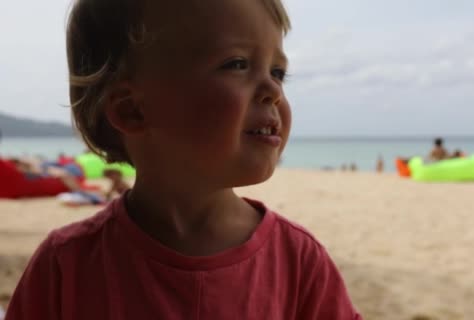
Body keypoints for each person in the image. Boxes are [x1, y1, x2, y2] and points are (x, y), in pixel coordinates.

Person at [6, 0, 361, 319]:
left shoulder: (298, 262)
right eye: (237, 64)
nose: (273, 91)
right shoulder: (67, 266)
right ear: (132, 110)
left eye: (278, 72)